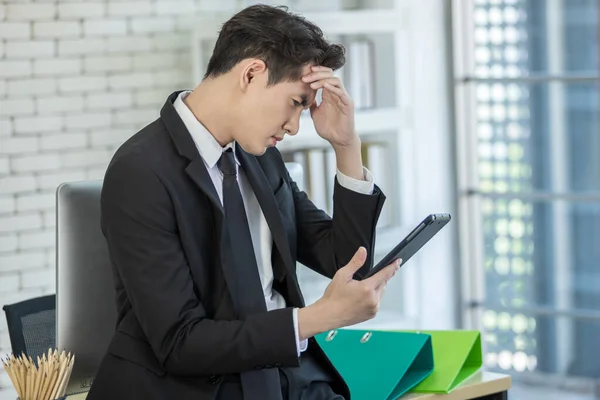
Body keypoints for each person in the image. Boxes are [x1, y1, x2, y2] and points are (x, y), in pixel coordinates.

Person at [87, 4, 400, 400]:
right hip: (200, 388)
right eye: (295, 103)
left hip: (288, 378)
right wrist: (314, 319)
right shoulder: (140, 172)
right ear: (251, 74)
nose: (294, 126)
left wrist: (346, 146)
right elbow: (180, 343)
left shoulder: (259, 155)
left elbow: (345, 261)